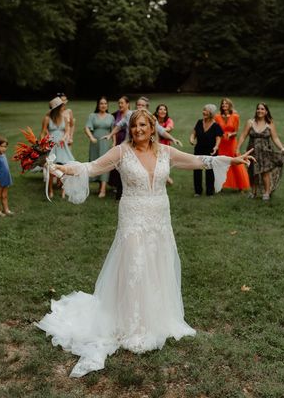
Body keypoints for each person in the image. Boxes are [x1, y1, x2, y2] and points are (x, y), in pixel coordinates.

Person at [36, 110, 254, 377]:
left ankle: (157, 318)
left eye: (143, 125)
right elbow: (91, 167)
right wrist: (60, 168)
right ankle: (132, 324)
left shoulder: (165, 152)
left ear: (153, 128)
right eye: (134, 125)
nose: (138, 129)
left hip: (160, 216)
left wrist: (231, 159)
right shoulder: (121, 152)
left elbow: (199, 160)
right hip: (133, 216)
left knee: (158, 262)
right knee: (135, 265)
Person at [238, 102, 284, 200]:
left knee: (265, 172)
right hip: (252, 151)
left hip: (266, 151)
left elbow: (275, 138)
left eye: (262, 109)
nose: (260, 111)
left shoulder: (269, 123)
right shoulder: (250, 122)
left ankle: (266, 193)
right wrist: (237, 148)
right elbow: (243, 135)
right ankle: (253, 192)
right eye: (258, 109)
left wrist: (282, 148)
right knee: (252, 172)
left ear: (266, 112)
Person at [102, 96, 181, 146]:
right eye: (138, 105)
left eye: (142, 105)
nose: (140, 107)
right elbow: (119, 126)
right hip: (129, 144)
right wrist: (110, 135)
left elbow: (161, 131)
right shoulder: (129, 114)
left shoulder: (151, 117)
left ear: (147, 107)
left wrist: (173, 139)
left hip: (144, 146)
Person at [41, 97, 75, 198]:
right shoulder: (47, 119)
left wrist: (64, 138)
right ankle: (50, 189)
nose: (63, 107)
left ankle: (63, 190)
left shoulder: (64, 117)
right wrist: (43, 144)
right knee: (51, 167)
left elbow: (67, 130)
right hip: (51, 145)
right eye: (61, 106)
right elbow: (43, 132)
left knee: (64, 167)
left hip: (61, 145)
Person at [214, 98, 250, 192]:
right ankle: (221, 185)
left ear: (230, 105)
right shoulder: (217, 117)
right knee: (222, 162)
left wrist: (231, 134)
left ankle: (240, 185)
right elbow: (216, 131)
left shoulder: (235, 117)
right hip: (222, 143)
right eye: (223, 104)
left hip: (232, 143)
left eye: (226, 103)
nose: (224, 105)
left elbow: (236, 131)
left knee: (236, 162)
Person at [189, 104, 223, 196]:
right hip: (199, 150)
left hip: (211, 151)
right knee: (197, 170)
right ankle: (198, 191)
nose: (204, 112)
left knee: (210, 172)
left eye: (206, 111)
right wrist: (191, 139)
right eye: (204, 110)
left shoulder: (216, 126)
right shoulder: (199, 122)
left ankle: (209, 192)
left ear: (211, 113)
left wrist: (216, 147)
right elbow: (193, 134)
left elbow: (218, 138)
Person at [84, 96, 115, 198]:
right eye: (101, 103)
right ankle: (98, 185)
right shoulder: (92, 116)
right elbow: (87, 128)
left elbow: (113, 131)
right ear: (98, 105)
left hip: (106, 144)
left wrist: (114, 142)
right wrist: (91, 137)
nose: (103, 105)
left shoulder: (111, 117)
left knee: (105, 164)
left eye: (105, 103)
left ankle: (103, 189)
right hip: (95, 144)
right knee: (95, 162)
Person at [109, 96, 130, 200]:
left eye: (122, 103)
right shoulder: (115, 114)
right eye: (119, 103)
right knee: (117, 166)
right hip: (118, 141)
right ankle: (117, 188)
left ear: (127, 104)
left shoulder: (131, 114)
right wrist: (112, 139)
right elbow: (115, 127)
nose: (120, 105)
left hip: (126, 141)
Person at [0, 137, 13, 216]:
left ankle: (6, 209)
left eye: (5, 146)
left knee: (5, 195)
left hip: (6, 178)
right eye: (2, 146)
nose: (4, 148)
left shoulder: (4, 155)